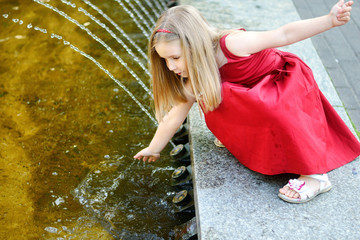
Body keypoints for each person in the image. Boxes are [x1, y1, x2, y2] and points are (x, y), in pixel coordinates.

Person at [134, 0, 360, 203]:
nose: (171, 67)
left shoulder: (232, 44)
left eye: (175, 58)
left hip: (282, 86)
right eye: (165, 60)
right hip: (254, 95)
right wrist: (154, 148)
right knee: (214, 99)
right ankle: (246, 140)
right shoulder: (195, 74)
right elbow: (175, 114)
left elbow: (284, 34)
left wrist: (329, 20)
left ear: (196, 44)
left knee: (270, 108)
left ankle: (316, 177)